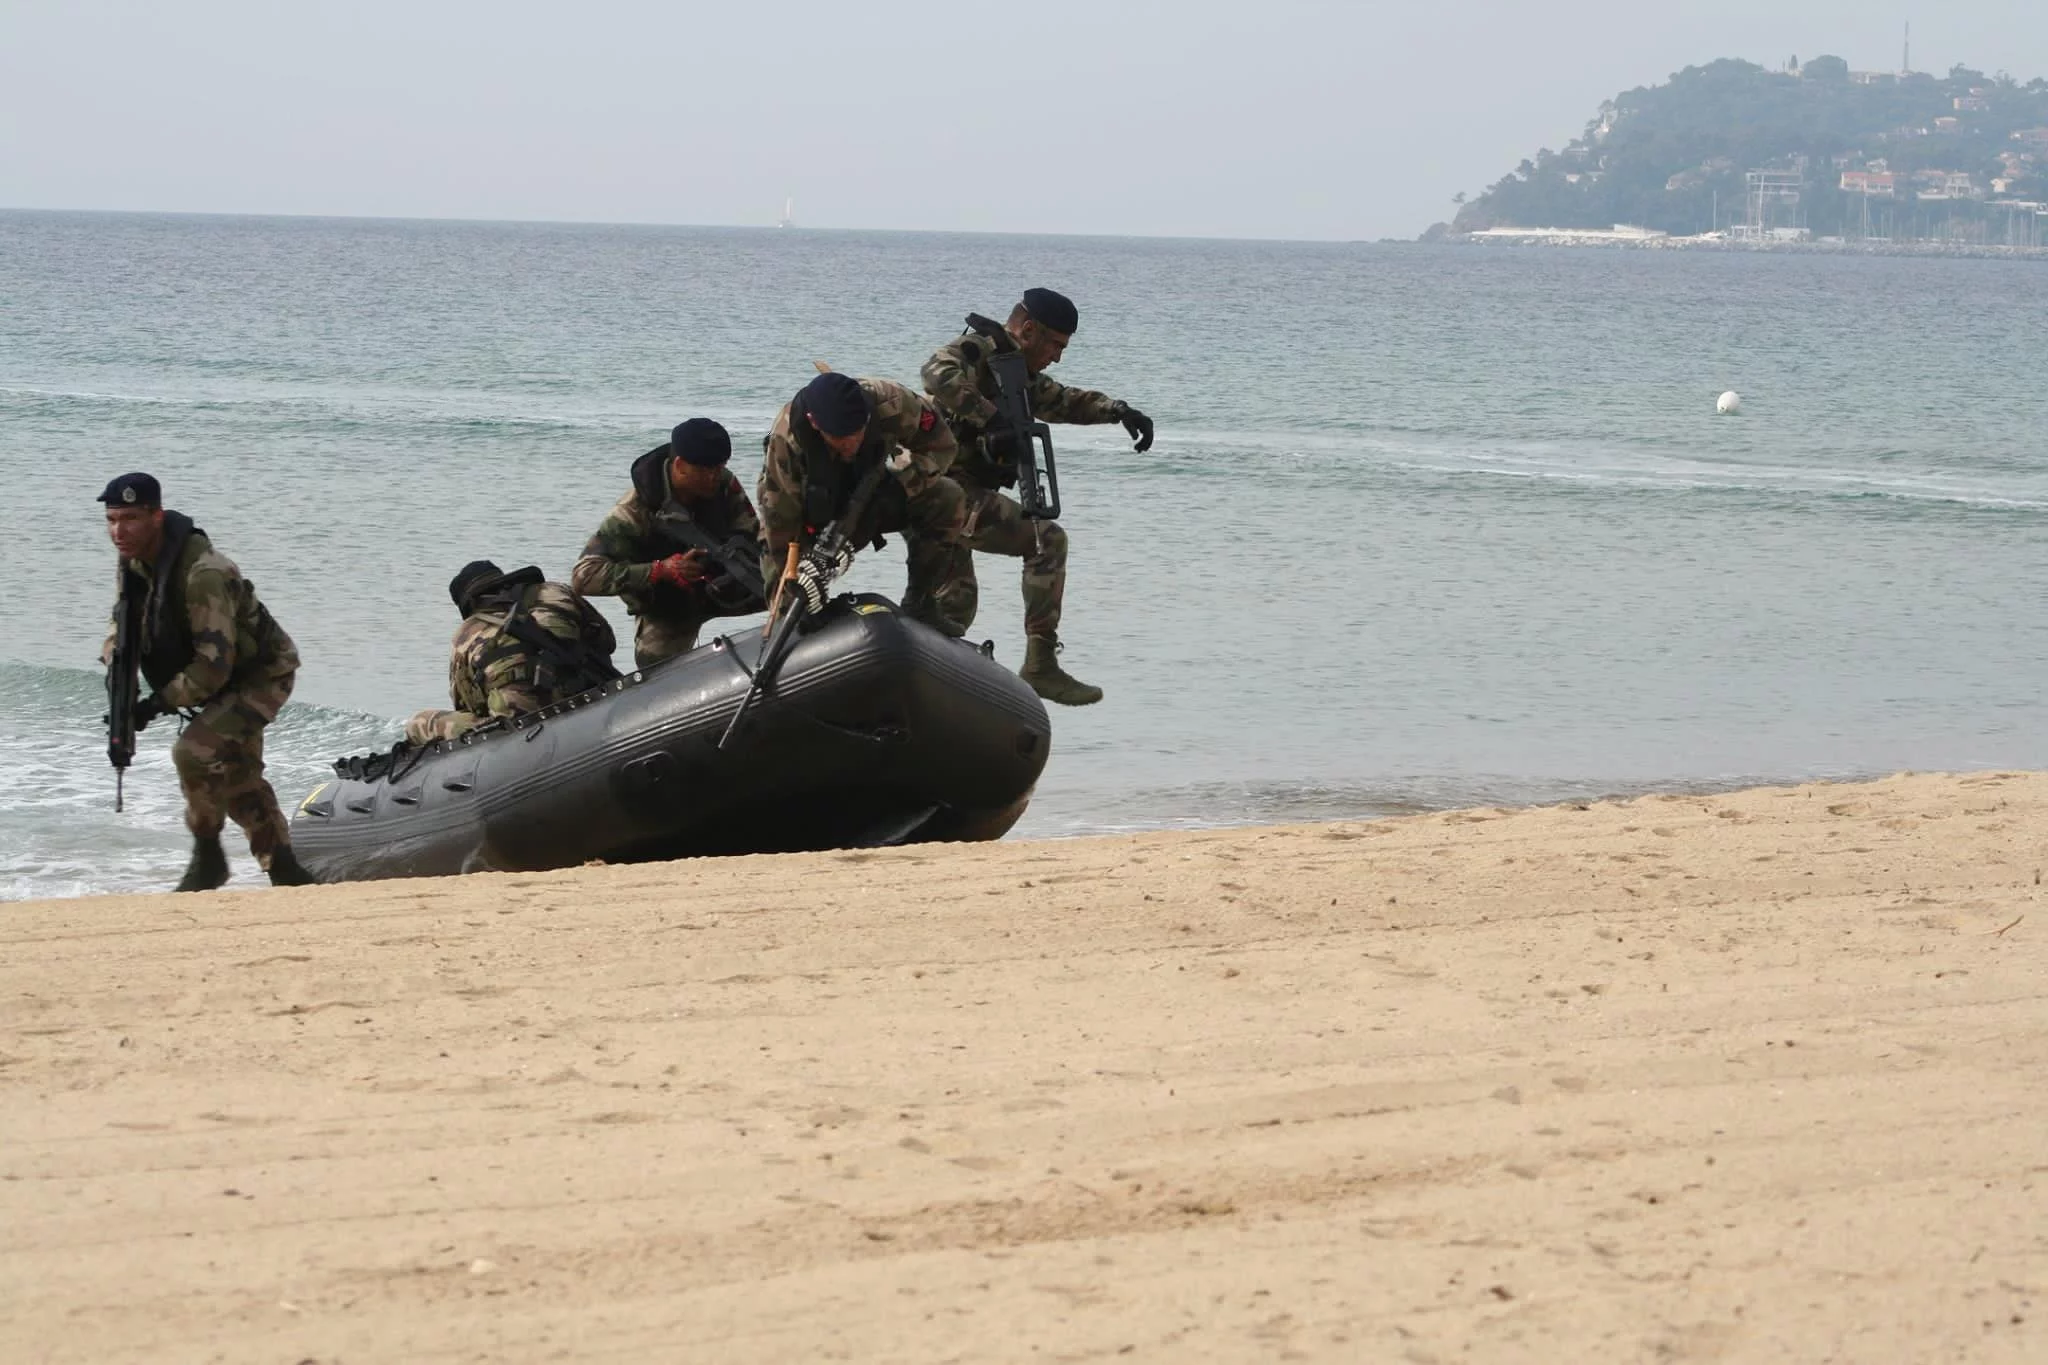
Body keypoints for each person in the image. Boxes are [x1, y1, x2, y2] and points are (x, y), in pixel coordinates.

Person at [920, 287, 1155, 706]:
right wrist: (992, 421)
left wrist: (1118, 410)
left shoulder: (1018, 374)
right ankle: (1040, 665)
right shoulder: (979, 350)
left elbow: (1061, 400)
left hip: (954, 492)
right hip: (937, 488)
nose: (1058, 356)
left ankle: (924, 683)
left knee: (955, 607)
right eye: (1055, 345)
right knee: (1047, 541)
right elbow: (936, 372)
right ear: (1028, 330)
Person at [97, 472, 315, 891]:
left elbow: (213, 666)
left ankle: (208, 856)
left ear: (157, 517)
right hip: (221, 673)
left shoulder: (203, 573)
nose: (119, 531)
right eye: (111, 519)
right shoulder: (135, 561)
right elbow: (123, 618)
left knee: (195, 751)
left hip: (262, 674)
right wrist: (116, 664)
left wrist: (157, 704)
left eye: (131, 518)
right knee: (239, 776)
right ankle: (285, 869)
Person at [756, 371, 965, 628]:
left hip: (874, 499)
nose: (852, 443)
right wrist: (795, 577)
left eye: (859, 431)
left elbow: (943, 447)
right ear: (814, 422)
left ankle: (921, 604)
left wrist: (899, 484)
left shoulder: (892, 403)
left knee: (947, 497)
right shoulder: (787, 439)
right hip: (808, 519)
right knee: (792, 611)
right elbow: (780, 523)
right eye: (840, 438)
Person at [572, 418, 767, 669]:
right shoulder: (633, 512)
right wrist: (662, 570)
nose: (715, 477)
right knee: (657, 672)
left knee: (787, 585)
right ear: (680, 465)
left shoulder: (723, 483)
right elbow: (584, 576)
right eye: (707, 470)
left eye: (720, 468)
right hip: (668, 607)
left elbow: (749, 532)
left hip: (728, 583)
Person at [403, 561, 620, 745]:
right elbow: (606, 642)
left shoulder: (465, 634)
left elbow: (468, 705)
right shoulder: (555, 592)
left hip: (518, 727)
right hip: (589, 701)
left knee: (417, 723)